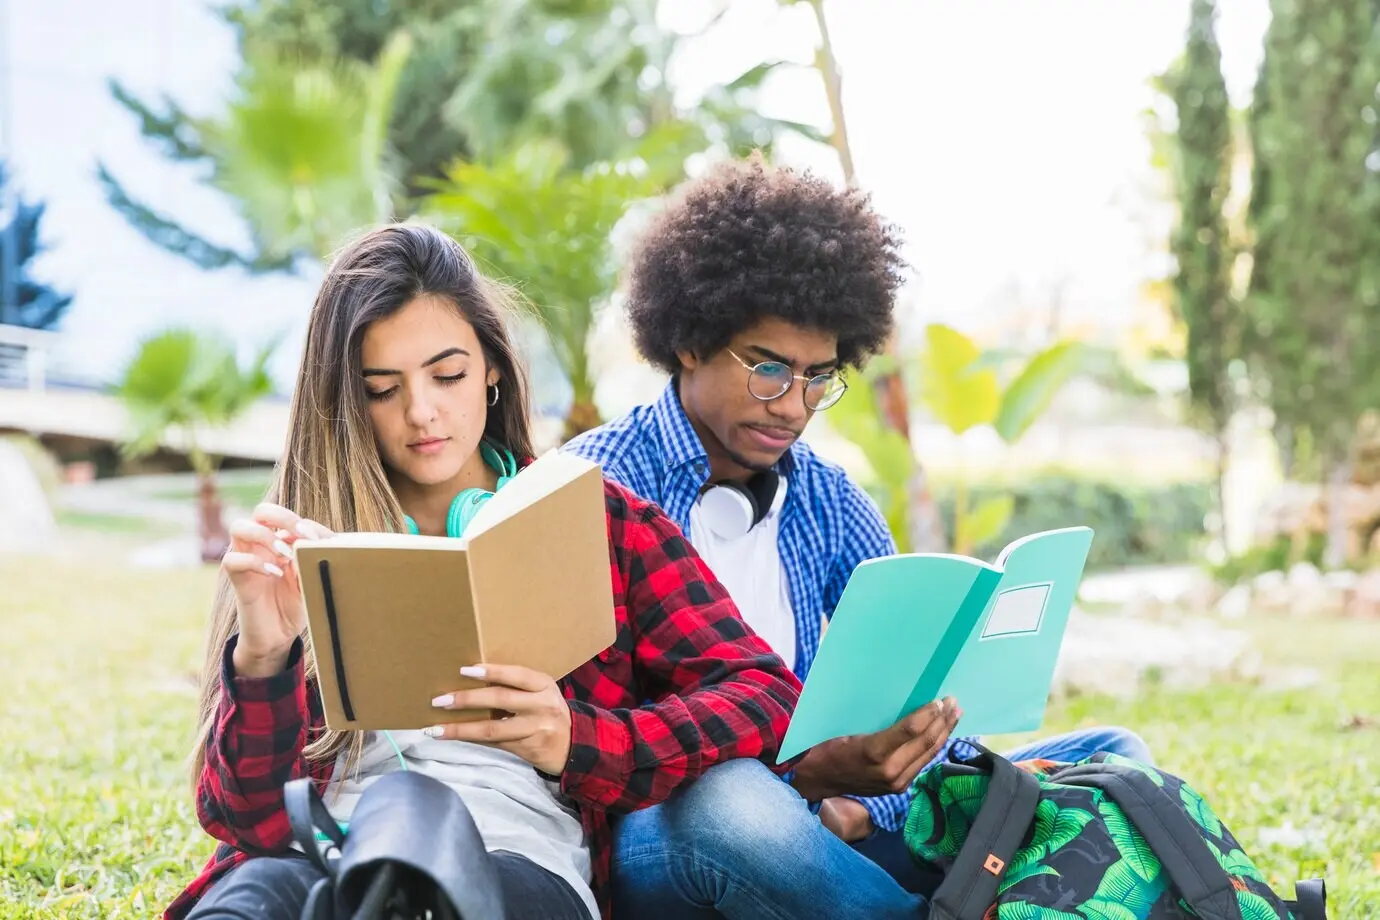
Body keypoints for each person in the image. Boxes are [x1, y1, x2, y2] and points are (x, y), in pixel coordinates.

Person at [563, 154, 1154, 918]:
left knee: (1111, 758)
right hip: (677, 832)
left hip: (832, 823)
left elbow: (907, 690)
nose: (794, 406)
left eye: (819, 377)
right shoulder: (593, 490)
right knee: (735, 804)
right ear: (689, 340)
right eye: (769, 369)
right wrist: (803, 785)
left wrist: (860, 802)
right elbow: (586, 748)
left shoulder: (828, 499)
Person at [164, 223, 803, 920]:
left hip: (513, 859)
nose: (421, 411)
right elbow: (247, 820)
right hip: (320, 847)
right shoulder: (301, 539)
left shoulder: (599, 522)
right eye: (382, 389)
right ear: (348, 400)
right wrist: (265, 655)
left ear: (492, 366)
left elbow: (765, 693)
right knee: (254, 896)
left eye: (448, 375)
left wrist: (578, 740)